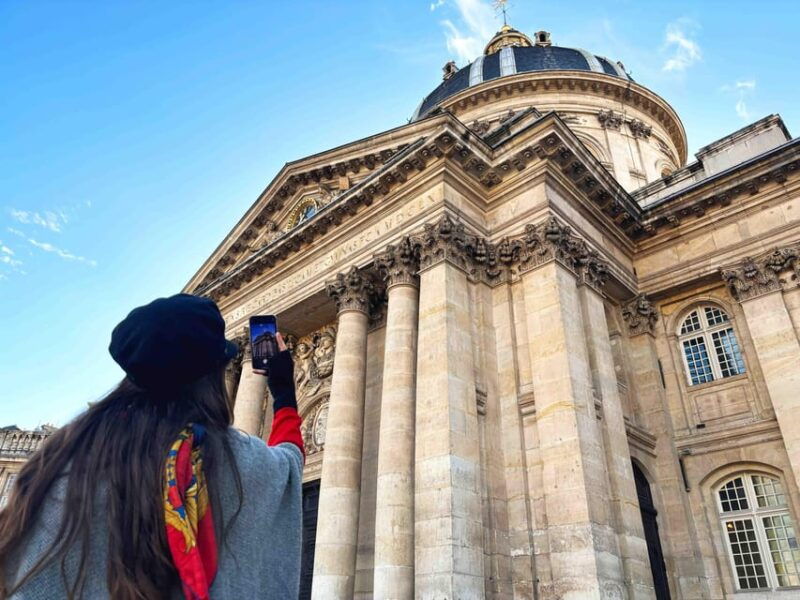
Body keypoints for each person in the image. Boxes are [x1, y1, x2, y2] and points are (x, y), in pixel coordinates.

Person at [0, 294, 304, 600]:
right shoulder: (231, 461)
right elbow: (290, 462)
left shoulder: (65, 463)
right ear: (211, 377)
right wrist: (283, 394)